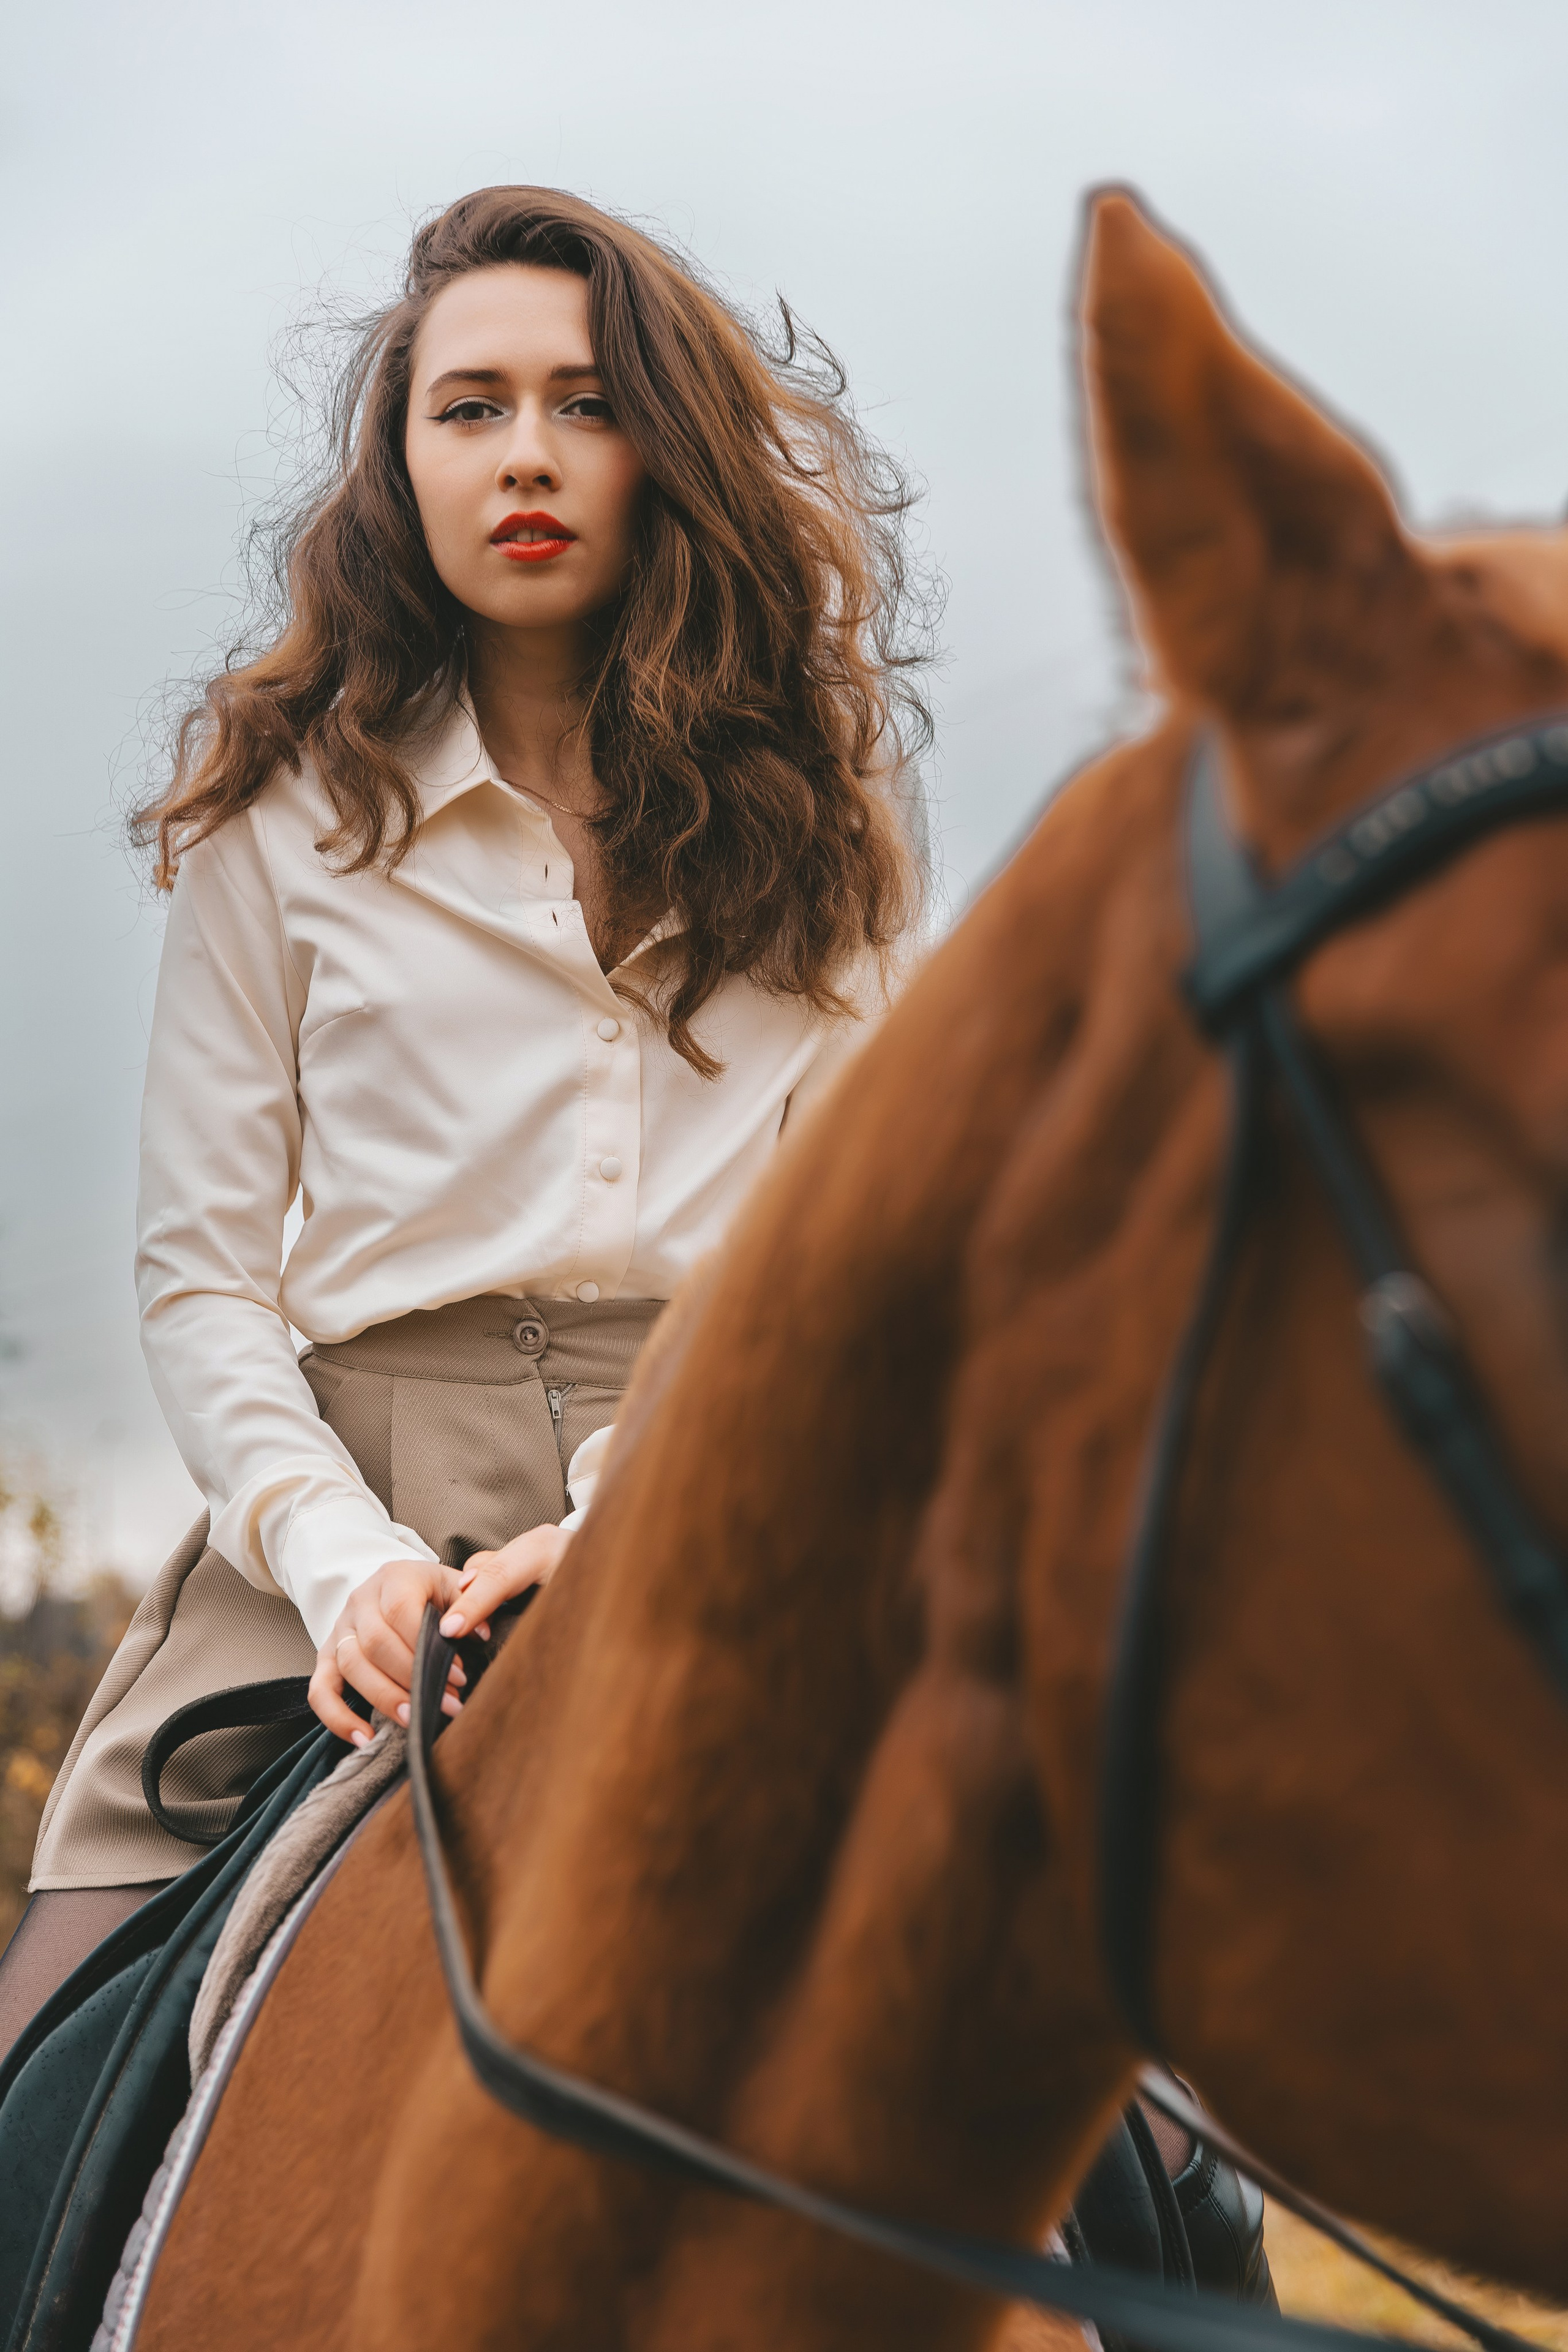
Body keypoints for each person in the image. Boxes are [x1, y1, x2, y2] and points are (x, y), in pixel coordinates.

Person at [0, 184, 927, 2059]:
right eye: (471, 405)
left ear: (670, 452)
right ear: (400, 463)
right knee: (41, 2073)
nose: (529, 454)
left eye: (588, 403)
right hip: (347, 1502)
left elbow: (865, 1258)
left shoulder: (832, 818)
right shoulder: (281, 816)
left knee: (1129, 2097)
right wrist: (351, 1575)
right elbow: (201, 1281)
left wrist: (636, 1517)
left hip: (726, 1471)